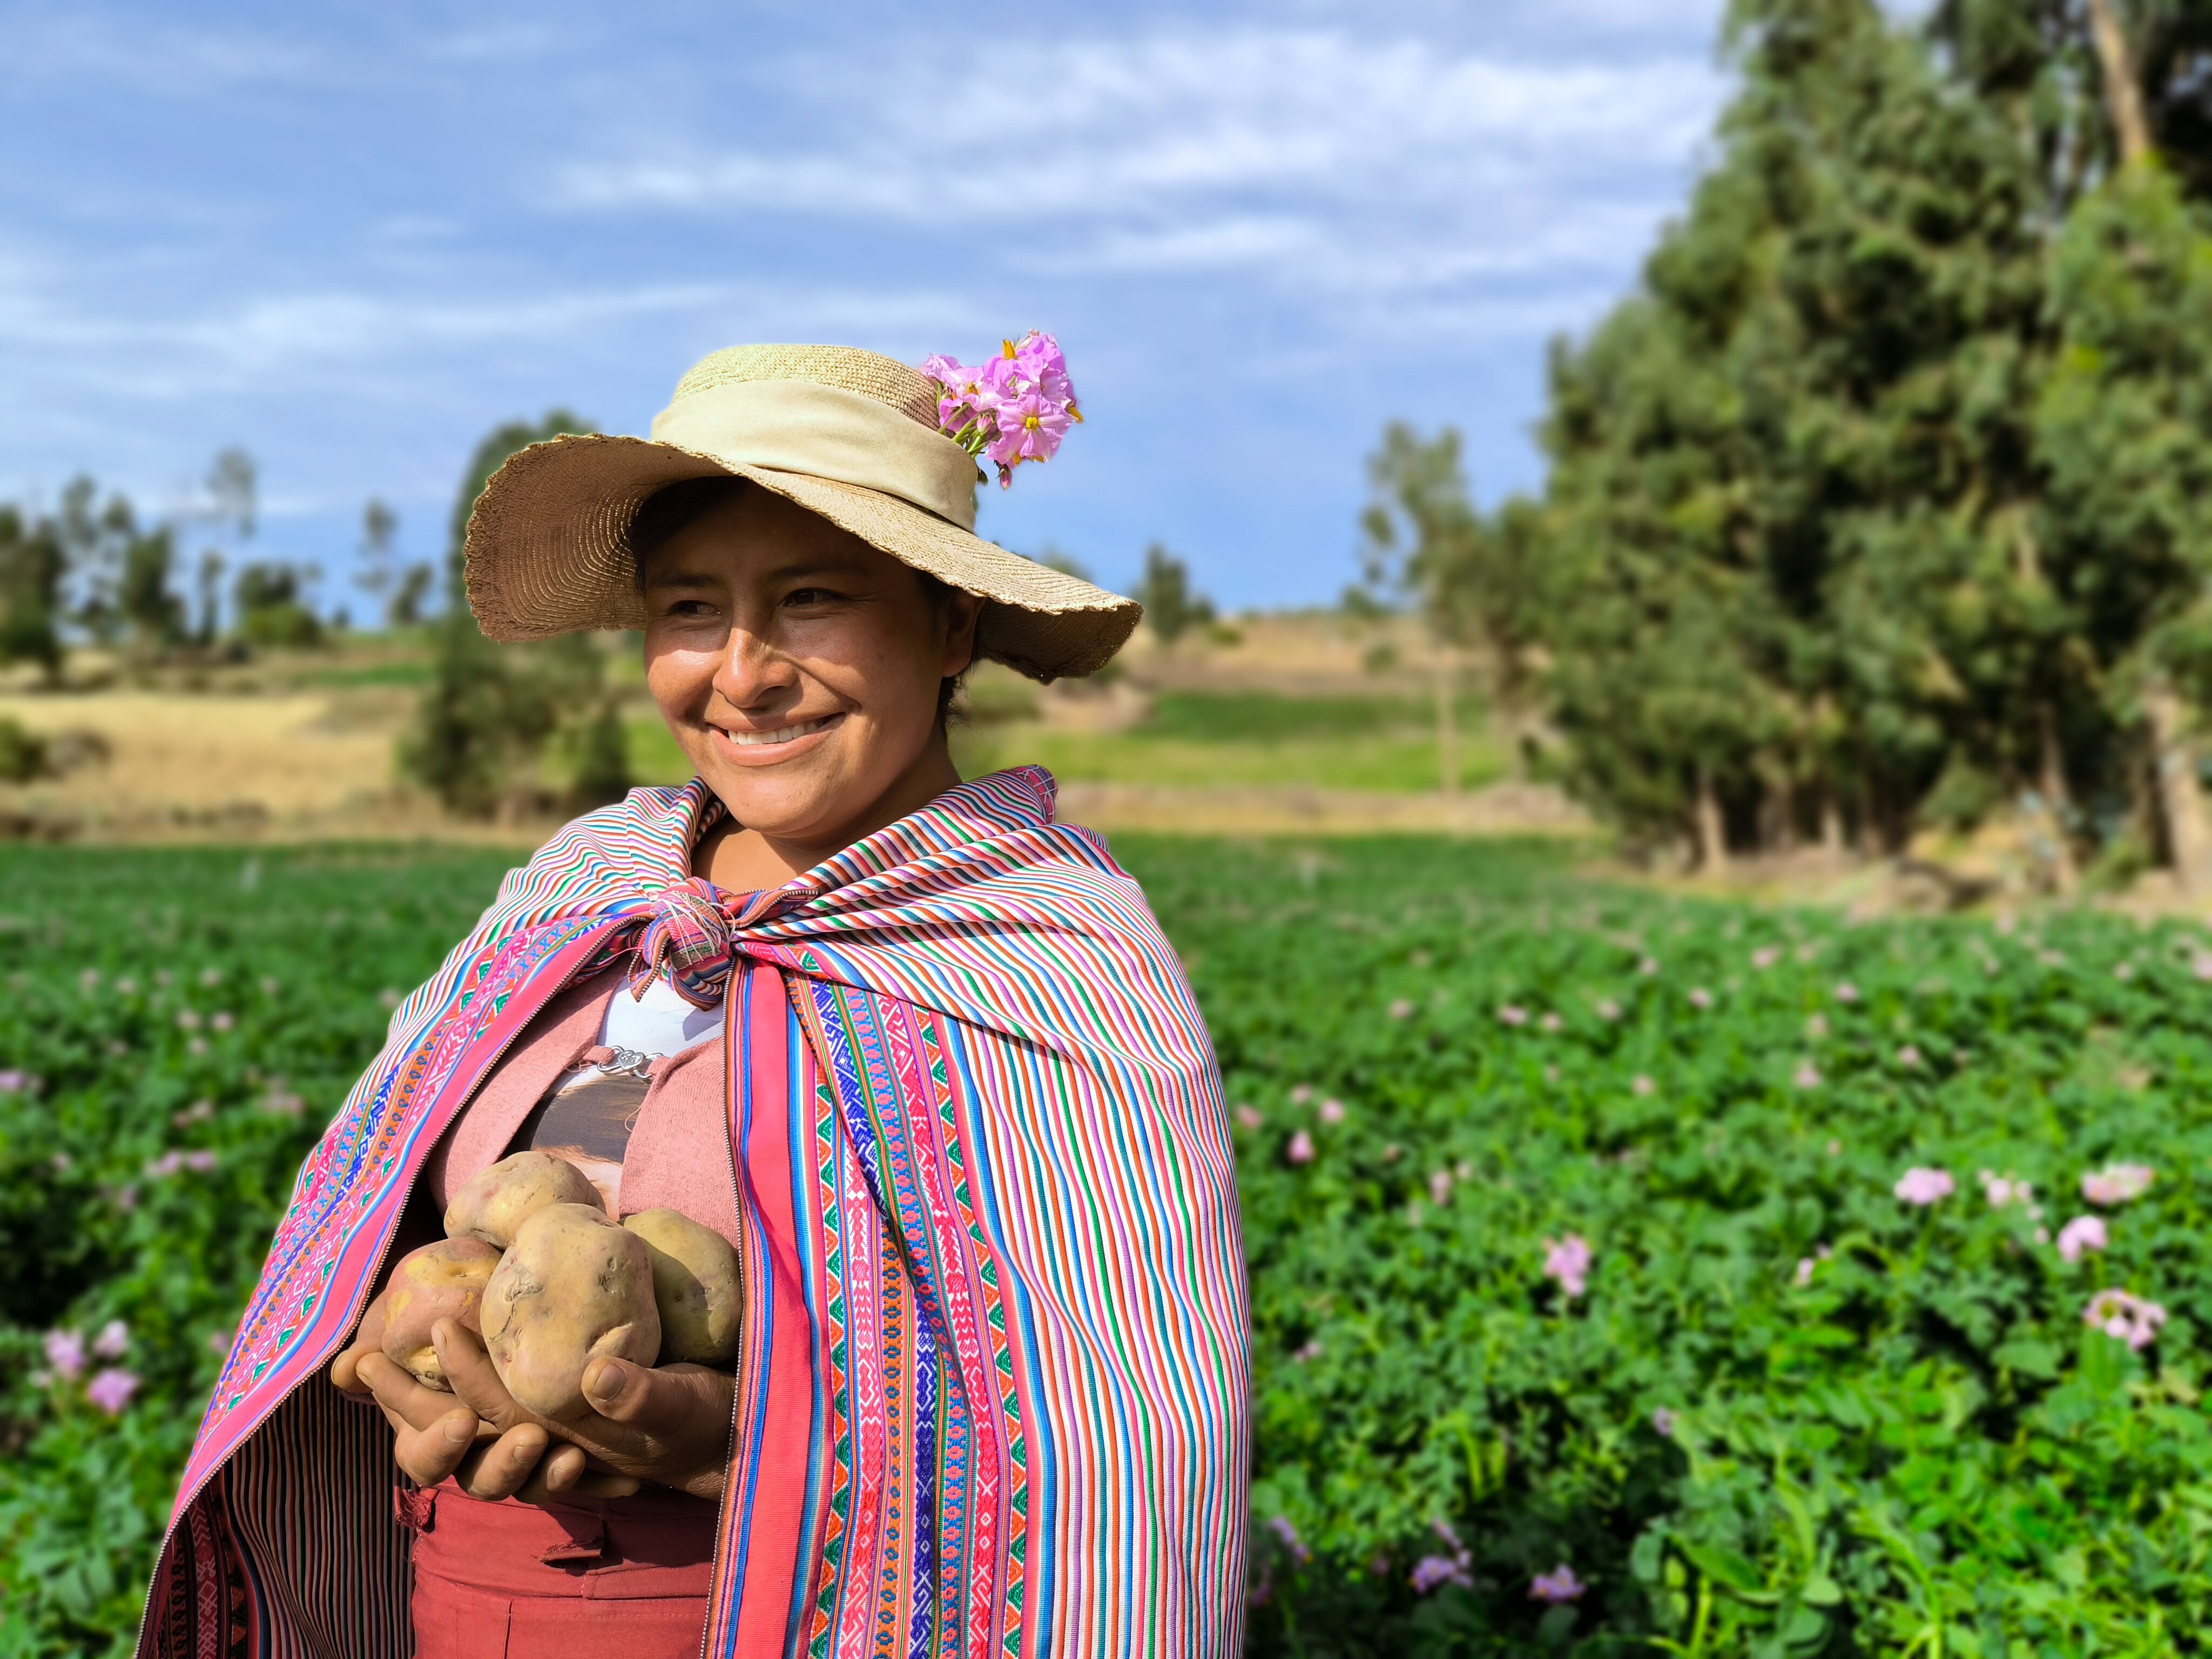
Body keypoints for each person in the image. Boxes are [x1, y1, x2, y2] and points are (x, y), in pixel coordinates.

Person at [137, 343, 1250, 1658]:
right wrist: (396, 1336)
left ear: (951, 626)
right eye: (686, 609)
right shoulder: (586, 883)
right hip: (463, 1604)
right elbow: (374, 1211)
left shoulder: (1045, 954)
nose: (742, 673)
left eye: (812, 598)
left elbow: (1110, 1443)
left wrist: (748, 1451)